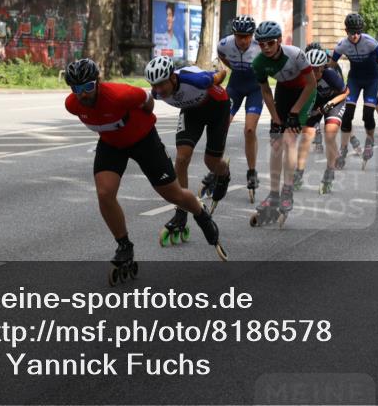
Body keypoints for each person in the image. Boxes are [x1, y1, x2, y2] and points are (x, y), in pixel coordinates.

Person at [64, 58, 226, 284]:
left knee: (173, 194)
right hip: (111, 144)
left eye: (88, 87)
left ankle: (200, 212)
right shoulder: (72, 105)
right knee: (104, 193)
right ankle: (124, 246)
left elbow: (148, 101)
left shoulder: (121, 94)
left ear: (98, 82)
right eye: (77, 89)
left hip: (143, 140)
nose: (82, 94)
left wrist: (140, 122)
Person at [145, 56, 232, 238]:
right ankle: (181, 211)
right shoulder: (157, 93)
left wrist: (220, 72)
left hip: (218, 108)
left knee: (212, 162)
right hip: (192, 112)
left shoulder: (195, 80)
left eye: (161, 84)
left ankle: (223, 174)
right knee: (182, 158)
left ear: (172, 78)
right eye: (154, 85)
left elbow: (221, 74)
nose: (158, 90)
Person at [250, 20, 317, 227]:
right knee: (276, 142)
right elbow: (266, 92)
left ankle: (287, 190)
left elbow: (312, 84)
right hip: (283, 91)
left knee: (289, 140)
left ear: (279, 40)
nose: (266, 48)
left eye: (270, 43)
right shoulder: (259, 63)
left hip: (304, 92)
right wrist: (276, 119)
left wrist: (295, 112)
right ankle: (273, 194)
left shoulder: (295, 54)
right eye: (262, 44)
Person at [331, 13, 378, 170]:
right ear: (346, 30)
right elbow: (331, 65)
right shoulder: (342, 45)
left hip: (371, 80)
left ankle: (369, 141)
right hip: (354, 80)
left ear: (361, 31)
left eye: (357, 32)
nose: (355, 36)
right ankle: (343, 149)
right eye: (351, 32)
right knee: (347, 115)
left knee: (367, 115)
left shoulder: (370, 43)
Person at [216, 15, 263, 202]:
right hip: (235, 86)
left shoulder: (261, 45)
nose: (243, 40)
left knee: (250, 130)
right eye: (239, 36)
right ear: (234, 34)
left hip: (255, 87)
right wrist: (233, 67)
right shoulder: (224, 44)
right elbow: (222, 55)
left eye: (247, 36)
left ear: (252, 35)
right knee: (221, 126)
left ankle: (251, 172)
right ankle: (217, 167)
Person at [294, 48, 350, 194]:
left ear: (324, 67)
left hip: (334, 102)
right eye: (311, 70)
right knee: (306, 137)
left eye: (318, 70)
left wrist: (329, 105)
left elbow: (346, 92)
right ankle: (298, 173)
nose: (315, 74)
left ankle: (329, 173)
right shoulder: (302, 77)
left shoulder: (330, 75)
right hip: (316, 103)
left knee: (330, 135)